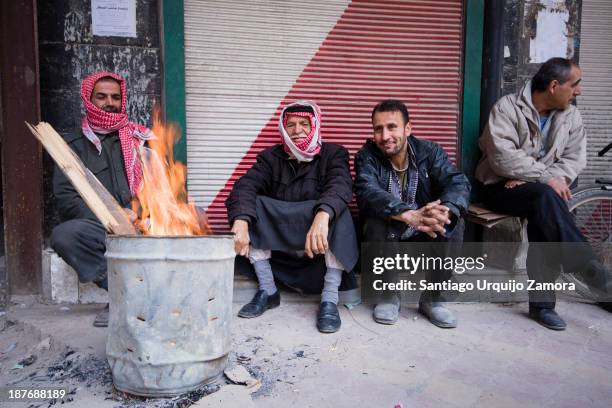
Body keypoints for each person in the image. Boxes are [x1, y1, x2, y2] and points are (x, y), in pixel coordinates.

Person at [475, 57, 612, 330]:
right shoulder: (507, 108)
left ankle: (544, 306)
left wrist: (537, 180)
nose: (579, 91)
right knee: (544, 198)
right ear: (553, 86)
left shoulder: (571, 116)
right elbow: (503, 159)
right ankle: (589, 272)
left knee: (543, 209)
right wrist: (545, 177)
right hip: (498, 187)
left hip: (539, 193)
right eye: (575, 84)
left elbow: (575, 159)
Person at [225, 101, 359, 333]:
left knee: (339, 210)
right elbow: (245, 185)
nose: (297, 130)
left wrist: (323, 215)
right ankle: (268, 290)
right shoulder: (270, 158)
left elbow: (341, 184)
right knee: (251, 205)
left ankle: (329, 299)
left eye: (304, 124)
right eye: (292, 125)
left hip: (317, 248)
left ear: (316, 125)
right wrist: (241, 220)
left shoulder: (334, 154)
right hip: (282, 250)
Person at [355, 99, 470, 328]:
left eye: (392, 127)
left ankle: (433, 299)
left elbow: (456, 181)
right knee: (375, 220)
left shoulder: (430, 152)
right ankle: (388, 295)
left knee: (453, 221)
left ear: (408, 128)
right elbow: (367, 191)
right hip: (390, 235)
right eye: (378, 129)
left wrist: (444, 210)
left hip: (425, 234)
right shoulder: (366, 155)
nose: (385, 135)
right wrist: (406, 213)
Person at [50, 71, 152, 327]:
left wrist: (141, 215)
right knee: (65, 235)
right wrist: (113, 219)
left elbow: (161, 187)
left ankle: (163, 292)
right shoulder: (72, 146)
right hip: (103, 226)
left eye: (116, 97)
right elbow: (67, 199)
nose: (110, 103)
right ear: (89, 100)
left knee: (197, 218)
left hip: (146, 225)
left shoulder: (139, 138)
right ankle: (123, 294)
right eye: (102, 97)